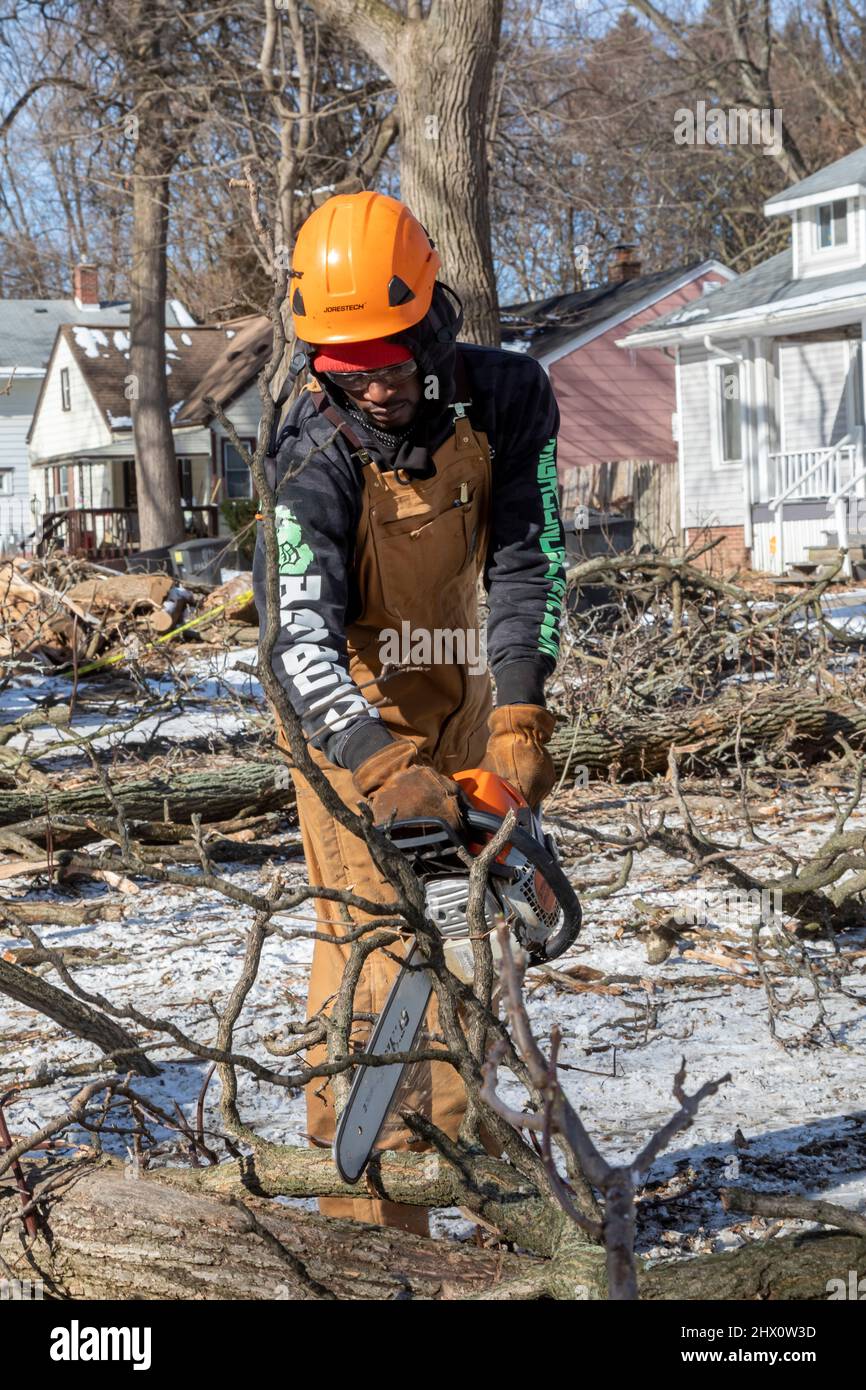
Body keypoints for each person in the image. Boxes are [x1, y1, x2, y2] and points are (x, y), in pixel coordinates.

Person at [253, 189, 566, 1234]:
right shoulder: (308, 449)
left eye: (388, 366)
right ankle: (372, 1208)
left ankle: (468, 1163)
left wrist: (518, 720)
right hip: (343, 695)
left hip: (458, 678)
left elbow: (527, 561)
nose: (372, 392)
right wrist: (383, 770)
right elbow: (296, 635)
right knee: (376, 929)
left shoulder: (509, 397)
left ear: (433, 324)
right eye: (344, 373)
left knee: (472, 937)